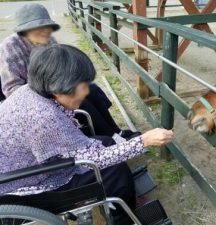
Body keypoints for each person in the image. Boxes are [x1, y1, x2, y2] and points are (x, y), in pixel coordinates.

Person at [0, 44, 173, 224]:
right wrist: (144, 141)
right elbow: (96, 159)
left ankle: (123, 199)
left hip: (21, 170)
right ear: (58, 88)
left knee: (105, 141)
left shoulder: (30, 91)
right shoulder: (43, 117)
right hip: (26, 187)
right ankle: (124, 218)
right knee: (114, 171)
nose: (87, 91)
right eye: (82, 85)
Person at [0, 3, 131, 137]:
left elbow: (63, 67)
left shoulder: (49, 40)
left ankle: (115, 131)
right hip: (30, 95)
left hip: (54, 86)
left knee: (91, 89)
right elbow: (11, 88)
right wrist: (52, 91)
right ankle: (108, 136)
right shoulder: (10, 47)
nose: (45, 31)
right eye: (38, 28)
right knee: (79, 98)